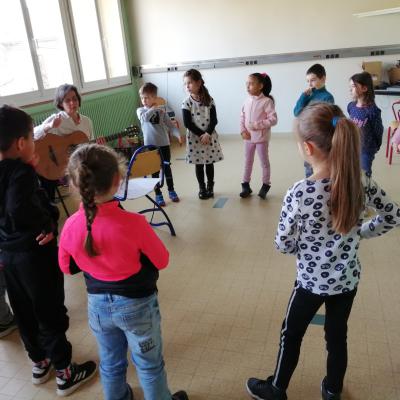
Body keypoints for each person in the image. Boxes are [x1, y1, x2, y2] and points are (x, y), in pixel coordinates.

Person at [246, 103, 400, 400]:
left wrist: (303, 247)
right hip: (347, 281)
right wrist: (361, 232)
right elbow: (393, 215)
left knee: (291, 333)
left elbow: (282, 243)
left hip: (310, 282)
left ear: (307, 148)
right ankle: (332, 390)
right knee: (337, 337)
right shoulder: (362, 181)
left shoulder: (300, 192)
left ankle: (277, 388)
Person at [58, 143, 189, 400]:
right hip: (137, 306)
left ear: (73, 185)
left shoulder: (71, 225)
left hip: (97, 307)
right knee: (149, 365)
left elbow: (66, 267)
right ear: (118, 181)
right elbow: (162, 260)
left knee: (110, 363)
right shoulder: (134, 224)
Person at [0, 105, 97, 396]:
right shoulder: (22, 173)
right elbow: (20, 207)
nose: (34, 142)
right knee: (49, 311)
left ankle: (39, 363)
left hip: (8, 257)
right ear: (21, 143)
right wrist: (47, 223)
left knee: (24, 312)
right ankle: (65, 373)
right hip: (34, 255)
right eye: (32, 137)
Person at [34, 83, 94, 201]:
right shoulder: (57, 118)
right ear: (61, 103)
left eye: (75, 99)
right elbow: (33, 134)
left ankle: (100, 203)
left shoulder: (87, 121)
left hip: (80, 162)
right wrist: (49, 126)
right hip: (62, 166)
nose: (72, 103)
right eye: (67, 100)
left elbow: (90, 144)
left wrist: (97, 145)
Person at [137, 82, 182, 206]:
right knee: (155, 170)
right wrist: (153, 109)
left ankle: (171, 190)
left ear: (154, 98)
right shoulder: (140, 110)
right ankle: (158, 194)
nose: (144, 100)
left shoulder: (161, 112)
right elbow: (145, 118)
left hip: (164, 144)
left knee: (167, 168)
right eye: (142, 98)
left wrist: (178, 135)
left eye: (147, 97)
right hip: (150, 146)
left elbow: (171, 126)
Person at [182, 69, 223, 199]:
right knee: (199, 164)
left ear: (199, 83)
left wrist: (207, 134)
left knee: (209, 163)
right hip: (195, 138)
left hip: (209, 137)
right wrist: (201, 135)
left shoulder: (209, 100)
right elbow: (187, 123)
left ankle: (210, 186)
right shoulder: (186, 103)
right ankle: (202, 188)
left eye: (190, 83)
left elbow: (214, 120)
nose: (187, 86)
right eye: (185, 84)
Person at [239, 73, 277, 199]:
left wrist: (256, 125)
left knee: (264, 162)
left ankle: (265, 185)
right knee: (247, 161)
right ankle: (245, 185)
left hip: (261, 139)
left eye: (251, 83)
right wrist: (243, 131)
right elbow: (242, 117)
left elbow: (273, 120)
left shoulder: (267, 101)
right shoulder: (246, 101)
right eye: (247, 83)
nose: (248, 86)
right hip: (248, 139)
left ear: (260, 86)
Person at [293, 64, 334, 178]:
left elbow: (322, 120)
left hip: (318, 136)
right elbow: (296, 112)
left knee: (318, 164)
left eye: (313, 80)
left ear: (323, 79)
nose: (310, 84)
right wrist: (303, 96)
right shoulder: (308, 95)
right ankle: (309, 184)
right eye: (308, 81)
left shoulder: (327, 97)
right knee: (308, 164)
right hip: (306, 134)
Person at [348, 71, 384, 176]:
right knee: (354, 171)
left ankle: (366, 186)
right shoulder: (351, 106)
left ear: (364, 88)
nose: (350, 89)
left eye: (353, 86)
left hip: (367, 149)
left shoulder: (373, 111)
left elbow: (378, 130)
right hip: (354, 147)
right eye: (350, 86)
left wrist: (377, 145)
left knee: (364, 173)